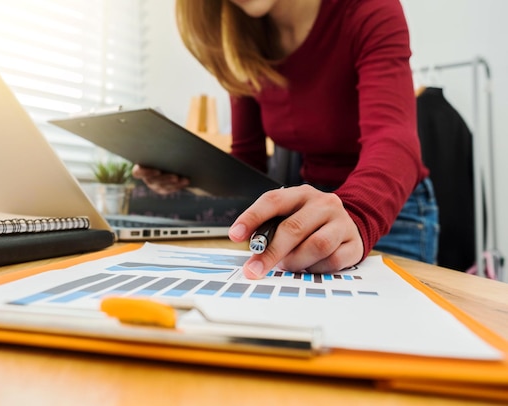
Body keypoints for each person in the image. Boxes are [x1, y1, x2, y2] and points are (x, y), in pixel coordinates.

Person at [133, 0, 438, 279]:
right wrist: (188, 174)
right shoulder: (242, 40)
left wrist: (356, 213)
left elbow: (393, 137)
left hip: (387, 209)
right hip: (308, 210)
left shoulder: (368, 9)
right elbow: (247, 158)